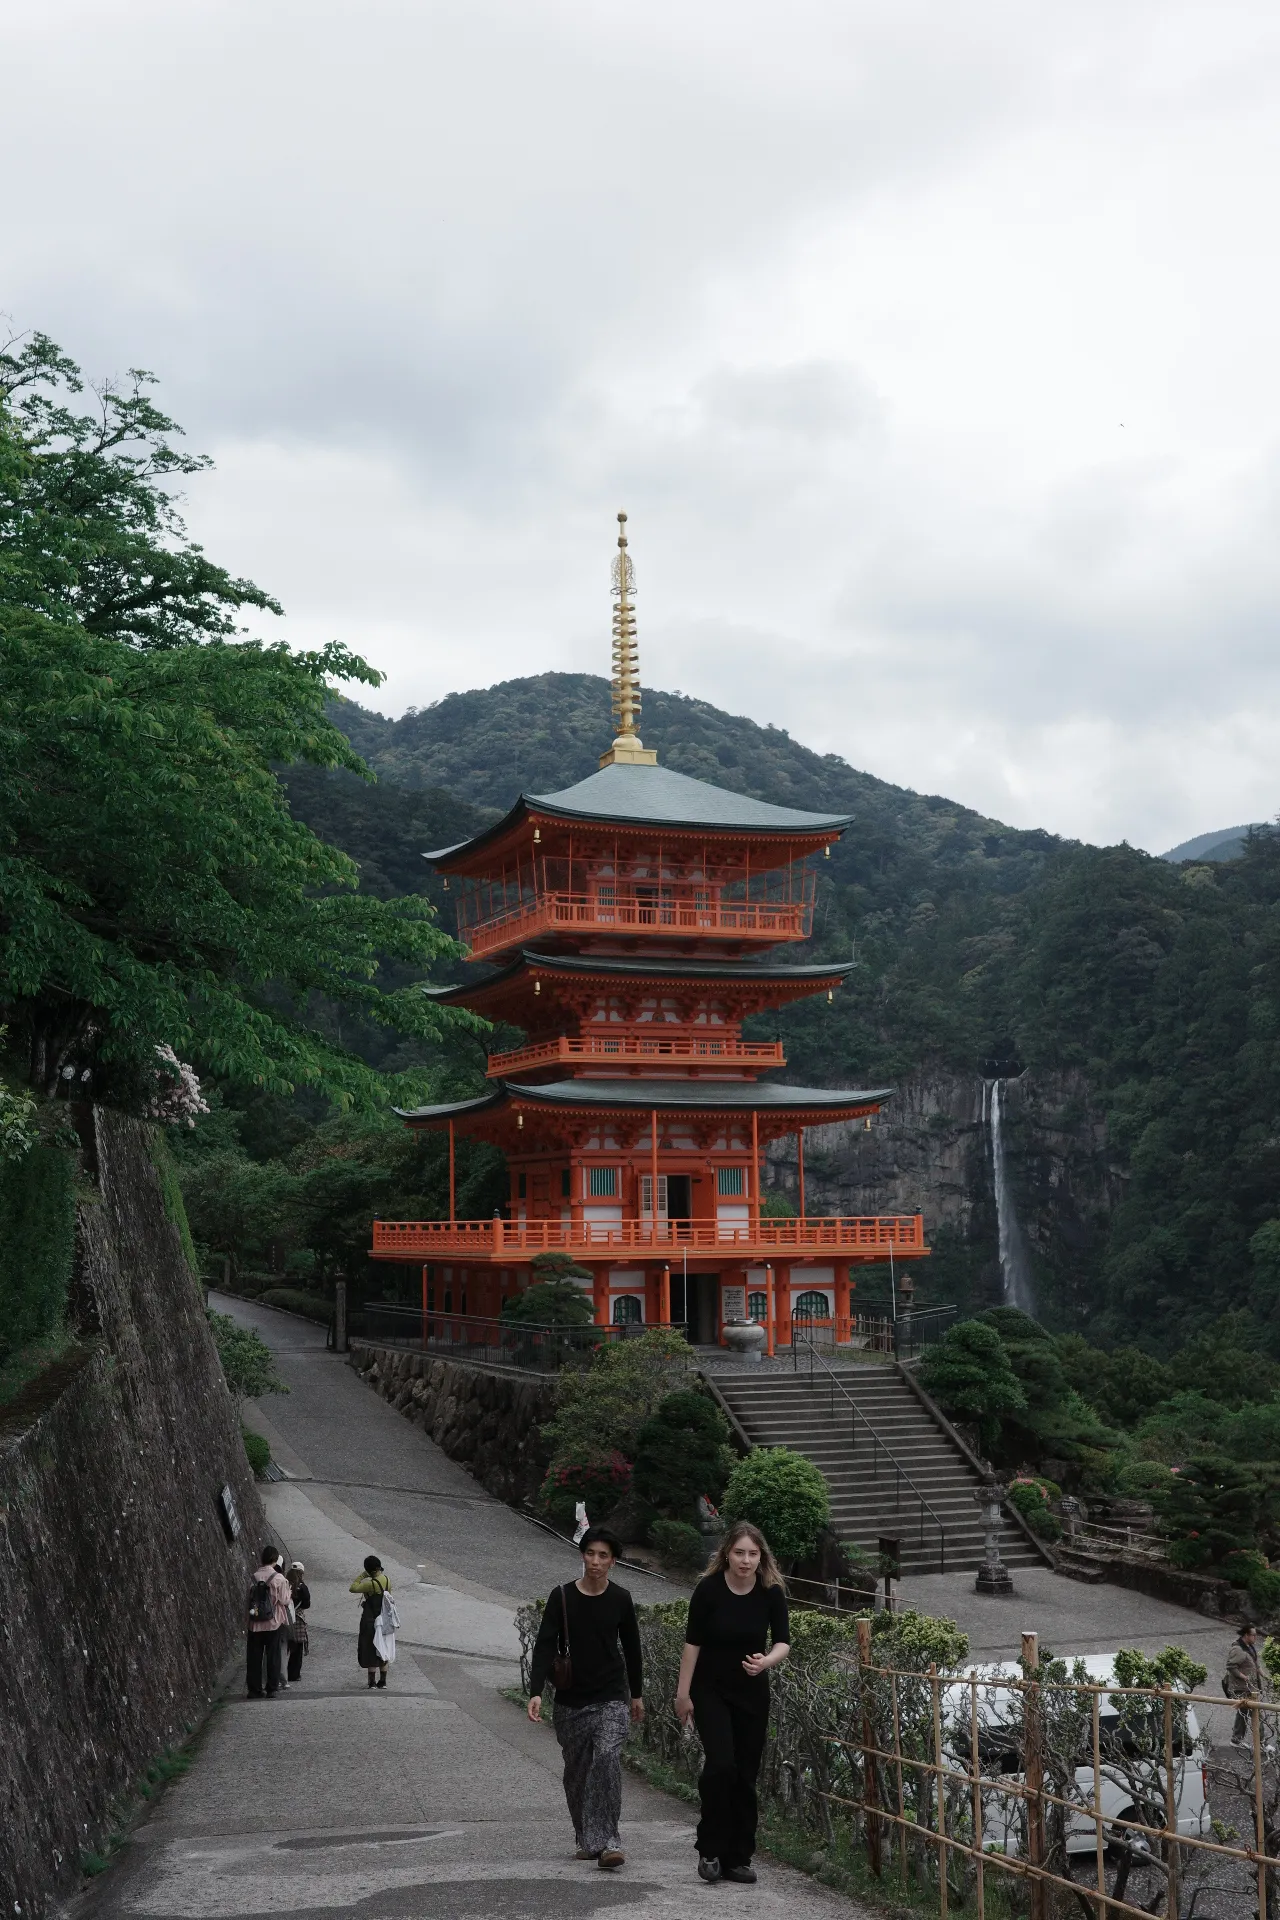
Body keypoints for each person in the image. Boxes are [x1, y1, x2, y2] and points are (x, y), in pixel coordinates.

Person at [675, 1520, 790, 1885]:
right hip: (711, 1690)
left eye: (752, 1554)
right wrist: (683, 1694)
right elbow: (692, 1643)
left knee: (745, 1775)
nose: (745, 1560)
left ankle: (737, 1857)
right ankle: (710, 1847)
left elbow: (783, 1641)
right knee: (721, 1765)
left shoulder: (770, 1592)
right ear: (727, 1553)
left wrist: (767, 1662)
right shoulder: (708, 1589)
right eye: (739, 1553)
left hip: (752, 1693)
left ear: (761, 1557)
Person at [528, 1526, 644, 1872]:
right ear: (582, 1555)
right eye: (591, 1553)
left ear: (613, 1561)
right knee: (577, 1773)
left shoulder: (621, 1599)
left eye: (603, 1555)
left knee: (606, 1758)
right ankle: (586, 1838)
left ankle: (609, 1841)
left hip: (611, 1696)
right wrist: (536, 1691)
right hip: (571, 1700)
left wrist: (635, 1695)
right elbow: (545, 1645)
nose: (596, 1561)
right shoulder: (561, 1596)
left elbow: (633, 1650)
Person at [246, 1544, 292, 1698]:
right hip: (273, 1622)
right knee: (273, 1655)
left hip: (255, 1623)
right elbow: (285, 1600)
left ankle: (254, 1689)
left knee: (254, 1657)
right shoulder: (279, 1578)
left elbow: (250, 1598)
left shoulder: (253, 1577)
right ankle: (272, 1688)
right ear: (274, 1559)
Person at [350, 1554, 391, 1689]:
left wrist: (362, 1576)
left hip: (370, 1620)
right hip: (384, 1619)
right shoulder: (387, 1580)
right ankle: (383, 1681)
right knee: (383, 1648)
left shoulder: (370, 1584)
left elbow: (353, 1588)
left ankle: (372, 1682)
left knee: (370, 1647)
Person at [1226, 1623, 1262, 1744]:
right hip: (1243, 1688)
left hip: (1251, 1687)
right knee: (1256, 1713)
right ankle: (1262, 1743)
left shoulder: (1249, 1646)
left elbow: (1255, 1663)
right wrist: (1244, 1677)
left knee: (1243, 1712)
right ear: (1246, 1635)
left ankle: (1236, 1739)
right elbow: (1231, 1666)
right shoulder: (1238, 1649)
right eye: (1253, 1635)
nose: (1255, 1638)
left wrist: (1263, 1674)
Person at [286, 1561, 311, 1684]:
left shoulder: (284, 1583)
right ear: (301, 1572)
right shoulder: (302, 1586)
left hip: (284, 1618)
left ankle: (282, 1673)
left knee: (285, 1647)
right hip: (297, 1618)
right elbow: (307, 1604)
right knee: (297, 1648)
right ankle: (294, 1674)